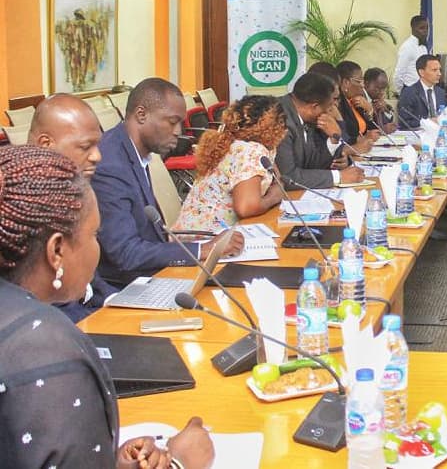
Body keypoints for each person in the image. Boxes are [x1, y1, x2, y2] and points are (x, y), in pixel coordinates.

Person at [0, 145, 214, 469]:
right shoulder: (44, 346)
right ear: (56, 250)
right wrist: (180, 462)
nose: (99, 248)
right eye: (94, 235)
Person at [92, 78, 244, 287]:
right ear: (141, 115)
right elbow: (126, 254)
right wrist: (203, 249)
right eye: (172, 122)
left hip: (155, 273)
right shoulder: (110, 165)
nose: (178, 131)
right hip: (127, 287)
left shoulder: (135, 152)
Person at [27, 93, 116, 321]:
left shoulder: (72, 190)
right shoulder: (22, 206)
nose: (97, 156)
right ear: (46, 144)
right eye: (85, 146)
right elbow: (51, 306)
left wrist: (118, 302)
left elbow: (89, 282)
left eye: (97, 145)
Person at [175, 96, 287, 231]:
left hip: (197, 228)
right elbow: (246, 208)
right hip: (206, 238)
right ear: (274, 127)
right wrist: (273, 197)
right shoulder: (249, 151)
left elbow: (276, 180)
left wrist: (276, 189)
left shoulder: (233, 141)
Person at [276, 72, 364, 189]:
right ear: (314, 107)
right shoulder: (280, 120)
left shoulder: (304, 116)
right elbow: (287, 177)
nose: (330, 112)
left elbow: (311, 164)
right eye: (328, 108)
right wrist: (338, 177)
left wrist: (334, 139)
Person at [336, 60, 380, 148]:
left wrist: (370, 110)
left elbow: (375, 130)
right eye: (358, 81)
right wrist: (363, 138)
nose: (362, 85)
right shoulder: (339, 104)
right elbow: (345, 136)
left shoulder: (357, 101)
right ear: (345, 82)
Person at [397, 54, 446, 130]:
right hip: (418, 135)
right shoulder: (409, 93)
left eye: (440, 70)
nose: (439, 74)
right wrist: (427, 122)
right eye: (434, 70)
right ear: (421, 72)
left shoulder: (441, 93)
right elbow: (404, 122)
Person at [393, 15, 429, 93]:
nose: (425, 31)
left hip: (422, 90)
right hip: (409, 89)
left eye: (427, 28)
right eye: (422, 28)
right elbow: (399, 73)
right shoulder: (407, 47)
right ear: (413, 29)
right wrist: (402, 92)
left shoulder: (424, 47)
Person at [364, 67, 397, 133]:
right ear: (367, 84)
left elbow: (388, 122)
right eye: (378, 88)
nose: (382, 92)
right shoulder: (361, 99)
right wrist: (382, 130)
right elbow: (363, 128)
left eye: (384, 89)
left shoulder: (376, 99)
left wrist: (385, 109)